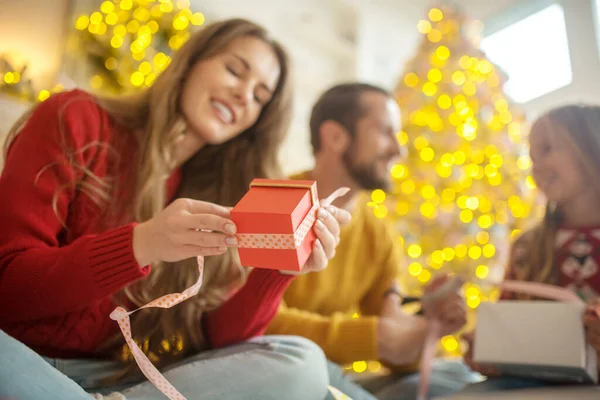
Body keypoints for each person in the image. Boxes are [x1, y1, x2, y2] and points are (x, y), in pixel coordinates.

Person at [0, 18, 353, 400]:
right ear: (190, 63)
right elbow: (8, 289)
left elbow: (216, 341)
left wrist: (278, 272)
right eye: (235, 70)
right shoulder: (76, 118)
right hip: (20, 358)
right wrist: (141, 244)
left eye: (259, 97)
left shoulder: (227, 192)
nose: (243, 96)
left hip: (116, 381)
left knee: (302, 359)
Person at [266, 83, 480, 400]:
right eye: (385, 132)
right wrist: (375, 336)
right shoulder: (274, 202)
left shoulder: (377, 235)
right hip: (276, 371)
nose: (399, 150)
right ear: (336, 137)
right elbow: (261, 324)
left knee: (459, 377)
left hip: (332, 376)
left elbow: (395, 357)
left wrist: (427, 325)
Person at [456, 104, 600, 394]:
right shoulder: (526, 247)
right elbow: (508, 320)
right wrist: (488, 348)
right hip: (538, 384)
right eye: (532, 157)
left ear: (591, 147)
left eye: (547, 149)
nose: (536, 166)